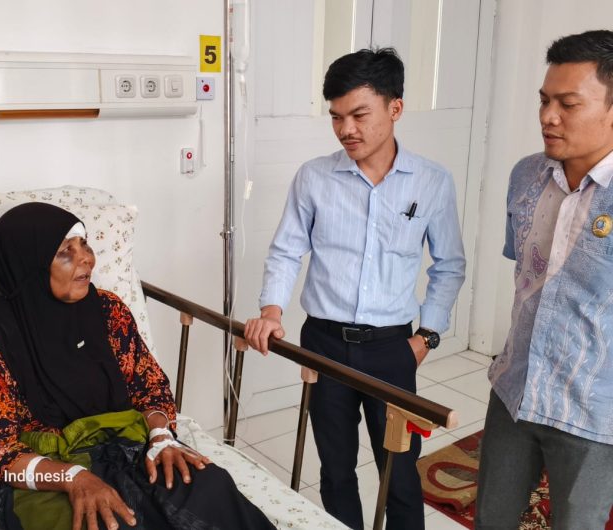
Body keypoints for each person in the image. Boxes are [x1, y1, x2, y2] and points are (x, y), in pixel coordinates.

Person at [244, 48, 466, 530]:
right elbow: (286, 251)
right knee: (335, 468)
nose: (346, 129)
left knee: (400, 473)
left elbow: (449, 266)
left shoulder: (431, 182)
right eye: (336, 116)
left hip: (392, 349)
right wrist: (272, 310)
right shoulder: (314, 178)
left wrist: (426, 337)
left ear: (395, 108)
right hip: (323, 344)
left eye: (359, 115)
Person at [0, 202, 275, 530]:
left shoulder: (108, 311)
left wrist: (161, 436)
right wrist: (74, 478)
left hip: (115, 444)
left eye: (85, 245)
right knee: (104, 523)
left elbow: (150, 388)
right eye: (66, 251)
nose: (86, 258)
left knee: (207, 487)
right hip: (34, 467)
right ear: (29, 265)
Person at [475, 30, 613, 530]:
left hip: (593, 411)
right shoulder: (526, 176)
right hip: (515, 388)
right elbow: (527, 274)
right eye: (544, 100)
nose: (548, 116)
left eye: (568, 104)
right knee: (491, 518)